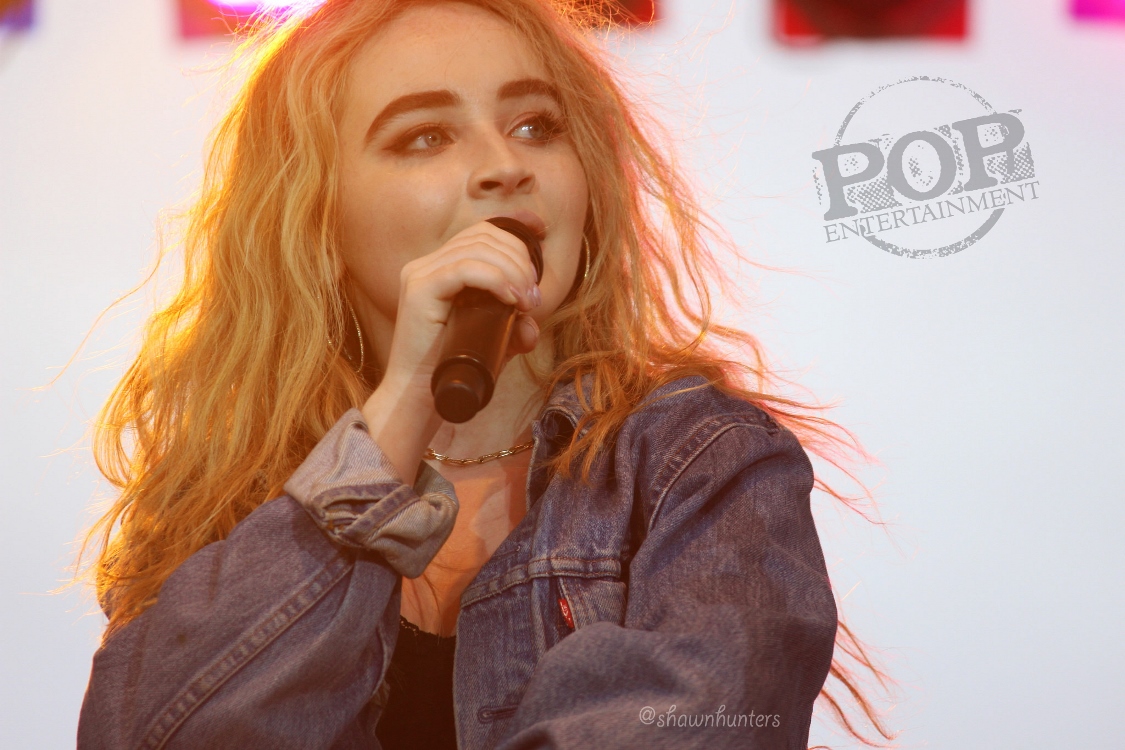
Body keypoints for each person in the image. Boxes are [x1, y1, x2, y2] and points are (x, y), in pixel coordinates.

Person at [75, 1, 894, 748]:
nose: (504, 165)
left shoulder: (700, 461)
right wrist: (400, 414)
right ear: (315, 217)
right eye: (425, 137)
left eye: (536, 125)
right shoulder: (229, 493)